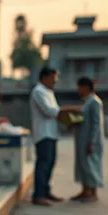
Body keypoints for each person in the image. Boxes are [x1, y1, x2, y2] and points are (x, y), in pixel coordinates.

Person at [29, 67, 81, 206]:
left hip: (51, 133)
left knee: (50, 163)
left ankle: (46, 191)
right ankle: (38, 195)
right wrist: (71, 108)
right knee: (43, 164)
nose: (55, 81)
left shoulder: (49, 92)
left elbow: (56, 114)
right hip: (43, 133)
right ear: (45, 77)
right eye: (53, 78)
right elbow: (51, 111)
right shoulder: (38, 91)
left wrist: (68, 121)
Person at [71, 77, 104, 203]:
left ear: (86, 87)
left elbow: (96, 124)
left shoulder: (95, 102)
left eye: (80, 87)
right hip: (82, 138)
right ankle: (85, 190)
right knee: (83, 165)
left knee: (91, 165)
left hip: (91, 140)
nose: (78, 90)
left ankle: (93, 192)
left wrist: (92, 142)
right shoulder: (86, 102)